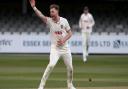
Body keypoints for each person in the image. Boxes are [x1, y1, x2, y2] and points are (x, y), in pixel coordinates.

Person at [29, 0, 76, 89]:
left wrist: (63, 40)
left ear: (57, 11)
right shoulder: (49, 21)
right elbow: (41, 15)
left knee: (70, 68)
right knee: (51, 65)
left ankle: (70, 84)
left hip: (65, 48)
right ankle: (41, 85)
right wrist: (34, 7)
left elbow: (70, 33)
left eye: (53, 11)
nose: (51, 13)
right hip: (55, 48)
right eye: (50, 11)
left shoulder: (64, 21)